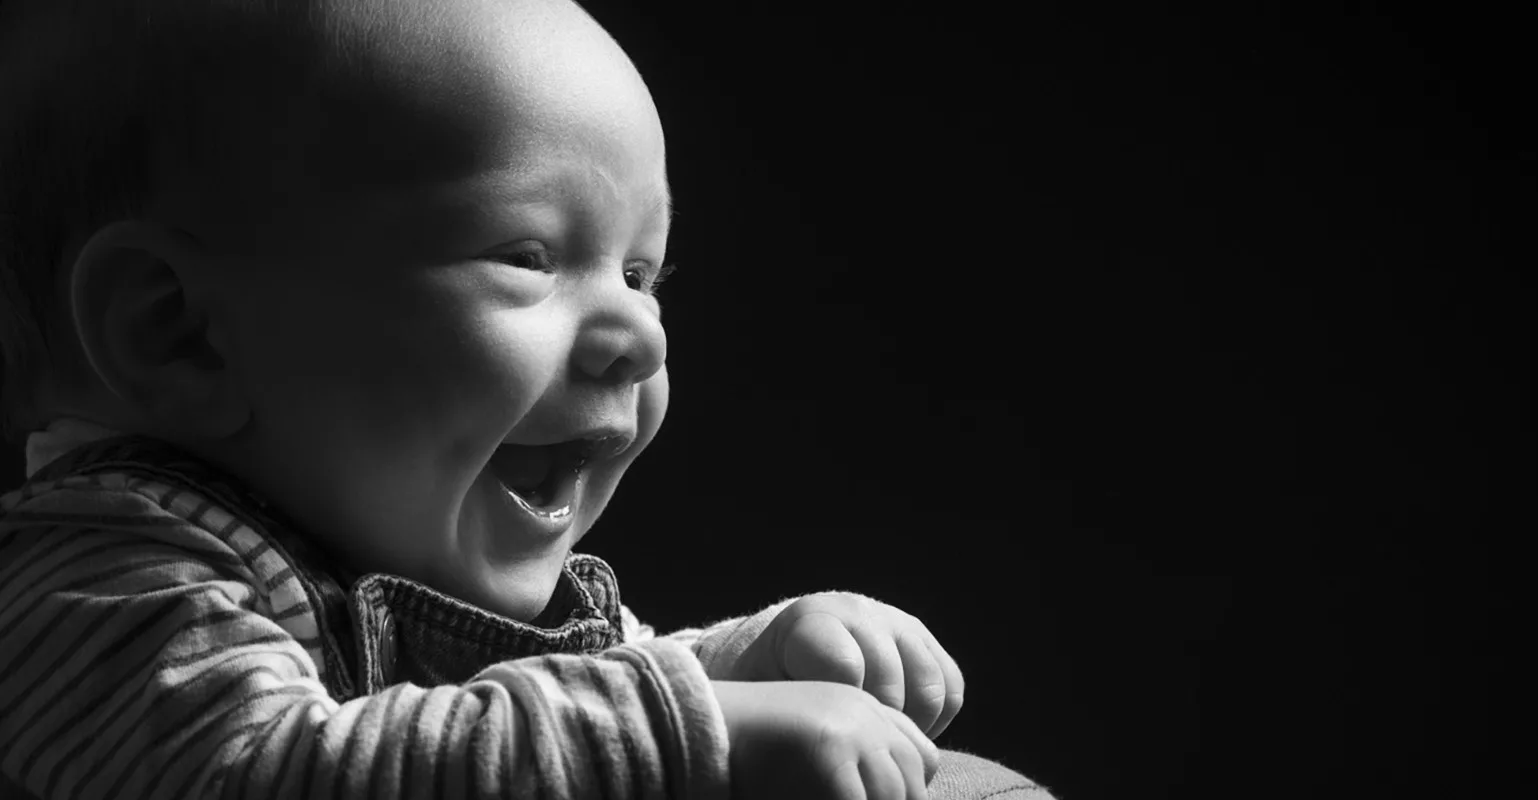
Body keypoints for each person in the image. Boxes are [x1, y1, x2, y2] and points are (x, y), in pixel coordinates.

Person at [0, 1, 1055, 798]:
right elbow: (270, 770)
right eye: (528, 255)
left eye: (642, 275)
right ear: (179, 333)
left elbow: (565, 709)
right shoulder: (95, 582)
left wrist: (743, 662)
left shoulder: (391, 530)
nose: (640, 334)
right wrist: (700, 730)